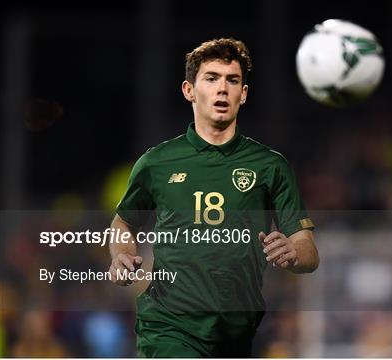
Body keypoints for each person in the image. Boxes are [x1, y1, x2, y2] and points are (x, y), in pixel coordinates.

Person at [108, 38, 319, 357]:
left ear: (243, 94)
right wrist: (121, 254)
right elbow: (123, 222)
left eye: (232, 80)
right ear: (189, 90)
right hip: (168, 327)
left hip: (236, 333)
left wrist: (293, 252)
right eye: (211, 78)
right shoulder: (157, 162)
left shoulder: (270, 166)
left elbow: (308, 251)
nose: (222, 88)